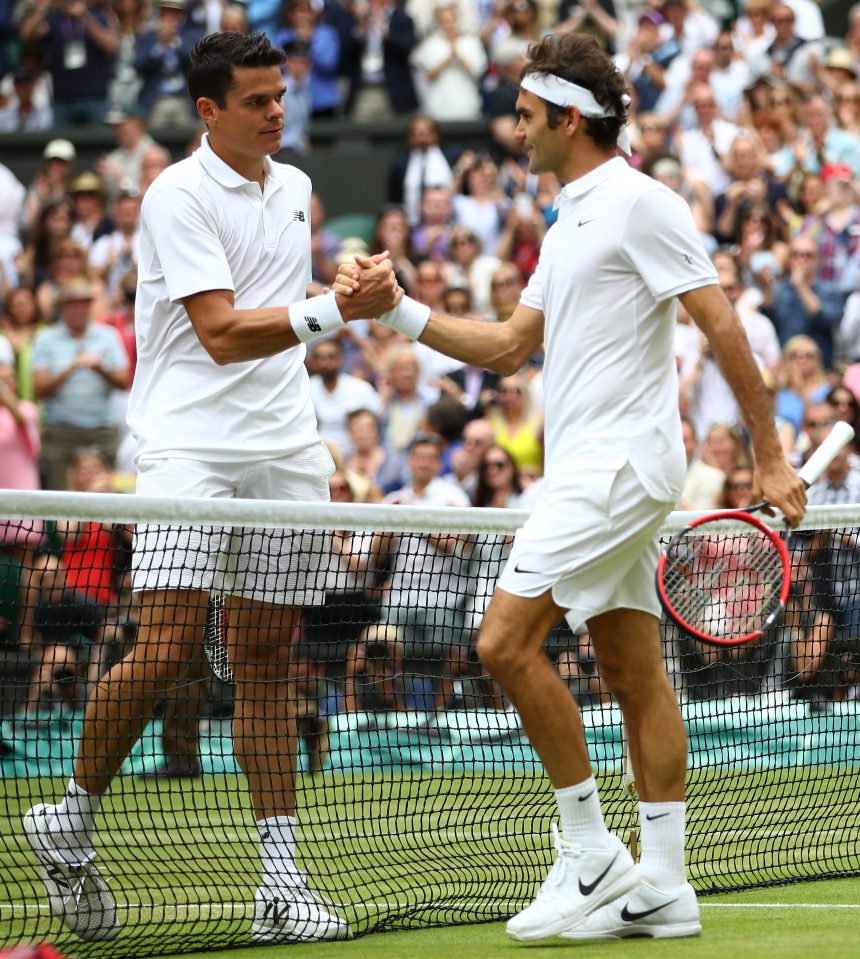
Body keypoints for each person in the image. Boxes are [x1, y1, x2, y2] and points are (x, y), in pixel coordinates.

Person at [335, 31, 807, 941]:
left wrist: (769, 453)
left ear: (570, 117)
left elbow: (721, 325)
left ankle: (589, 849)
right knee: (632, 669)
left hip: (619, 467)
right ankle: (664, 882)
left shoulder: (642, 203)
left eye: (525, 115)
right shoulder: (567, 218)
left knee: (504, 643)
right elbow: (511, 346)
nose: (516, 130)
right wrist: (394, 310)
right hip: (589, 466)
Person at [22, 30, 398, 945]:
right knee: (168, 647)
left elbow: (275, 292)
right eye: (259, 101)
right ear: (208, 111)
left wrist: (337, 278)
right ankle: (68, 816)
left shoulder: (297, 186)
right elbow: (224, 332)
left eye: (282, 95)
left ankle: (280, 879)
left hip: (282, 446)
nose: (279, 110)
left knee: (269, 658)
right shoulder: (174, 196)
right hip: (189, 445)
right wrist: (331, 310)